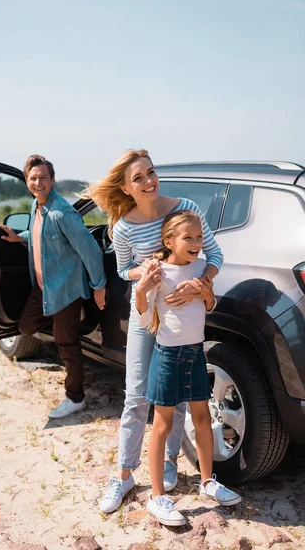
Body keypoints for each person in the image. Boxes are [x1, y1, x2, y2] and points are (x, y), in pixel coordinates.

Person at [86, 149, 224, 513]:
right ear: (127, 188)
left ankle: (168, 463)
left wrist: (202, 283)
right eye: (139, 178)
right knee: (136, 394)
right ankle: (124, 474)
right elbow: (122, 270)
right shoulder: (124, 228)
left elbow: (214, 254)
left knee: (176, 396)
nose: (149, 181)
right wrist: (143, 275)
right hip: (144, 314)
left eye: (151, 172)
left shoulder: (185, 207)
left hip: (181, 316)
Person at [135, 210, 241, 525]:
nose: (196, 243)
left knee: (203, 418)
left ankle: (208, 481)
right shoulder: (158, 272)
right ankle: (157, 497)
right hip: (167, 357)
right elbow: (143, 317)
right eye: (188, 238)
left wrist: (207, 294)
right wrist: (141, 290)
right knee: (163, 426)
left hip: (195, 353)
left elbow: (209, 305)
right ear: (169, 241)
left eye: (198, 237)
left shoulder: (201, 269)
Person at [0, 154, 106, 419]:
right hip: (44, 287)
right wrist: (19, 237)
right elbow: (41, 235)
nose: (38, 182)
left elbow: (90, 251)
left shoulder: (63, 212)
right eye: (33, 178)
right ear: (27, 181)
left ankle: (75, 398)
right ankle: (66, 324)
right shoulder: (38, 207)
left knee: (67, 345)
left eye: (43, 178)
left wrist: (99, 285)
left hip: (66, 290)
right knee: (25, 326)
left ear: (52, 180)